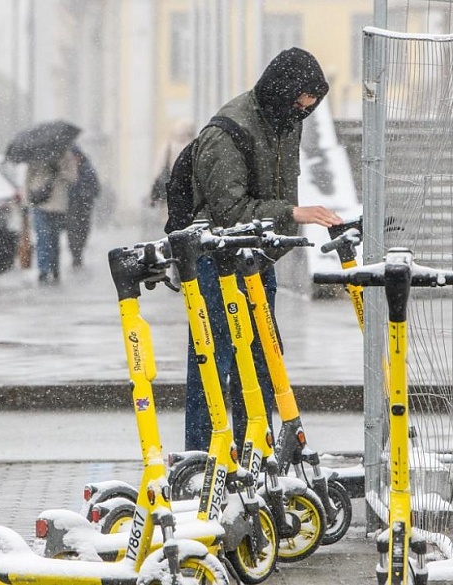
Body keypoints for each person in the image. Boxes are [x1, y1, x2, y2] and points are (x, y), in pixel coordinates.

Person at [184, 47, 343, 451]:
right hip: (215, 264)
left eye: (309, 108)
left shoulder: (284, 120)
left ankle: (254, 455)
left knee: (260, 363)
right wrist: (293, 213)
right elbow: (230, 213)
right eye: (298, 104)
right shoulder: (228, 132)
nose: (302, 114)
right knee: (214, 366)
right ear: (281, 92)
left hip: (256, 262)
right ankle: (205, 461)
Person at [27, 147, 79, 283]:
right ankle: (43, 270)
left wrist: (60, 171)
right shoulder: (37, 154)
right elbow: (29, 177)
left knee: (54, 239)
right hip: (40, 203)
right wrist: (27, 200)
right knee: (42, 238)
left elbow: (73, 178)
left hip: (58, 205)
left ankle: (55, 268)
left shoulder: (66, 155)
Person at [65, 146, 100, 269]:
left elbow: (96, 188)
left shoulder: (87, 169)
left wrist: (85, 194)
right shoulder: (69, 170)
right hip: (72, 207)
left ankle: (78, 252)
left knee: (83, 231)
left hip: (84, 207)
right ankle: (75, 254)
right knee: (72, 231)